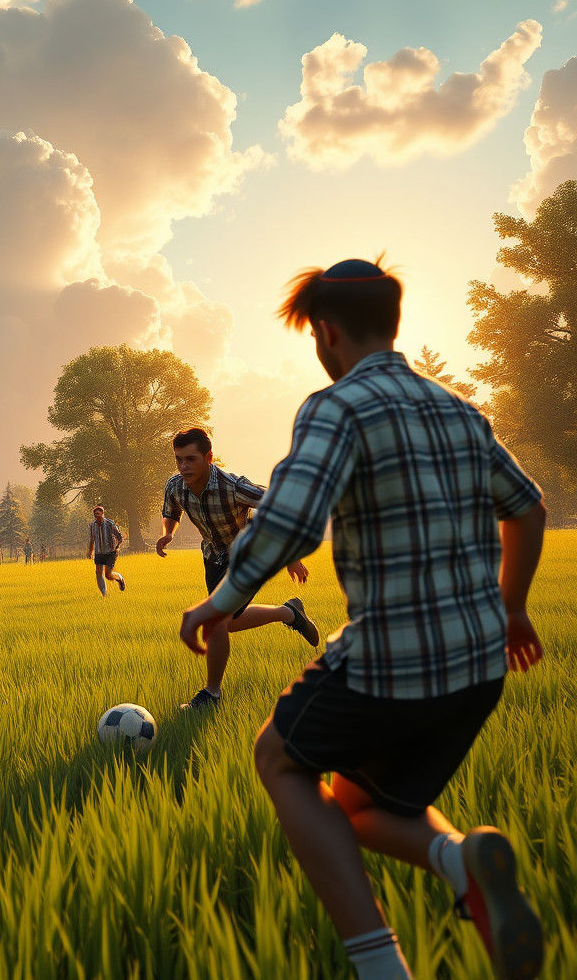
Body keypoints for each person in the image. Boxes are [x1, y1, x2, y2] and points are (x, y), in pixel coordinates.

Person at [179, 258, 545, 980]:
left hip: (390, 662)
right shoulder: (459, 410)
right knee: (354, 805)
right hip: (477, 668)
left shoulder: (337, 406)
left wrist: (217, 604)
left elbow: (289, 522)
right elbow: (527, 506)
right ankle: (458, 859)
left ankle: (383, 971)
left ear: (325, 331)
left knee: (278, 759)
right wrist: (512, 608)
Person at [159, 427, 318, 710]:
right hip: (213, 557)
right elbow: (171, 510)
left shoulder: (234, 487)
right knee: (228, 624)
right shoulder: (175, 486)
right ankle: (289, 612)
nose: (183, 466)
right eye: (179, 459)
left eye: (190, 459)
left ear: (208, 457)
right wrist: (168, 533)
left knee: (216, 621)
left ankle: (211, 694)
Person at [88, 505, 125, 595]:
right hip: (99, 552)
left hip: (110, 552)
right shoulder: (93, 525)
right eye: (95, 515)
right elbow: (92, 539)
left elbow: (119, 537)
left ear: (102, 514)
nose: (97, 517)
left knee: (108, 575)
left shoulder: (110, 524)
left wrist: (116, 547)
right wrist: (90, 551)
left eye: (98, 514)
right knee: (98, 572)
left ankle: (120, 578)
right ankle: (104, 594)